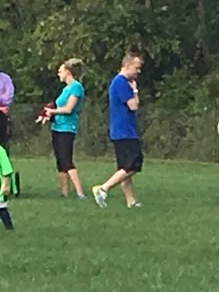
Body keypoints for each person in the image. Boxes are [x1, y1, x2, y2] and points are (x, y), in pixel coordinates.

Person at [92, 52, 144, 209]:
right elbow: (134, 106)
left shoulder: (120, 82)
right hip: (124, 131)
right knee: (133, 164)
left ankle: (131, 201)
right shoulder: (121, 83)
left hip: (121, 130)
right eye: (136, 68)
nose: (138, 71)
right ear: (127, 65)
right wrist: (135, 91)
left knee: (124, 168)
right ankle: (103, 189)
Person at [43, 59, 86, 199]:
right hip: (57, 126)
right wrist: (47, 115)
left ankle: (80, 193)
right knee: (60, 160)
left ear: (68, 72)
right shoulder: (65, 89)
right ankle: (64, 193)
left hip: (67, 127)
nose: (58, 74)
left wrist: (52, 111)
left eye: (60, 71)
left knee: (67, 160)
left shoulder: (76, 87)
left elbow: (68, 109)